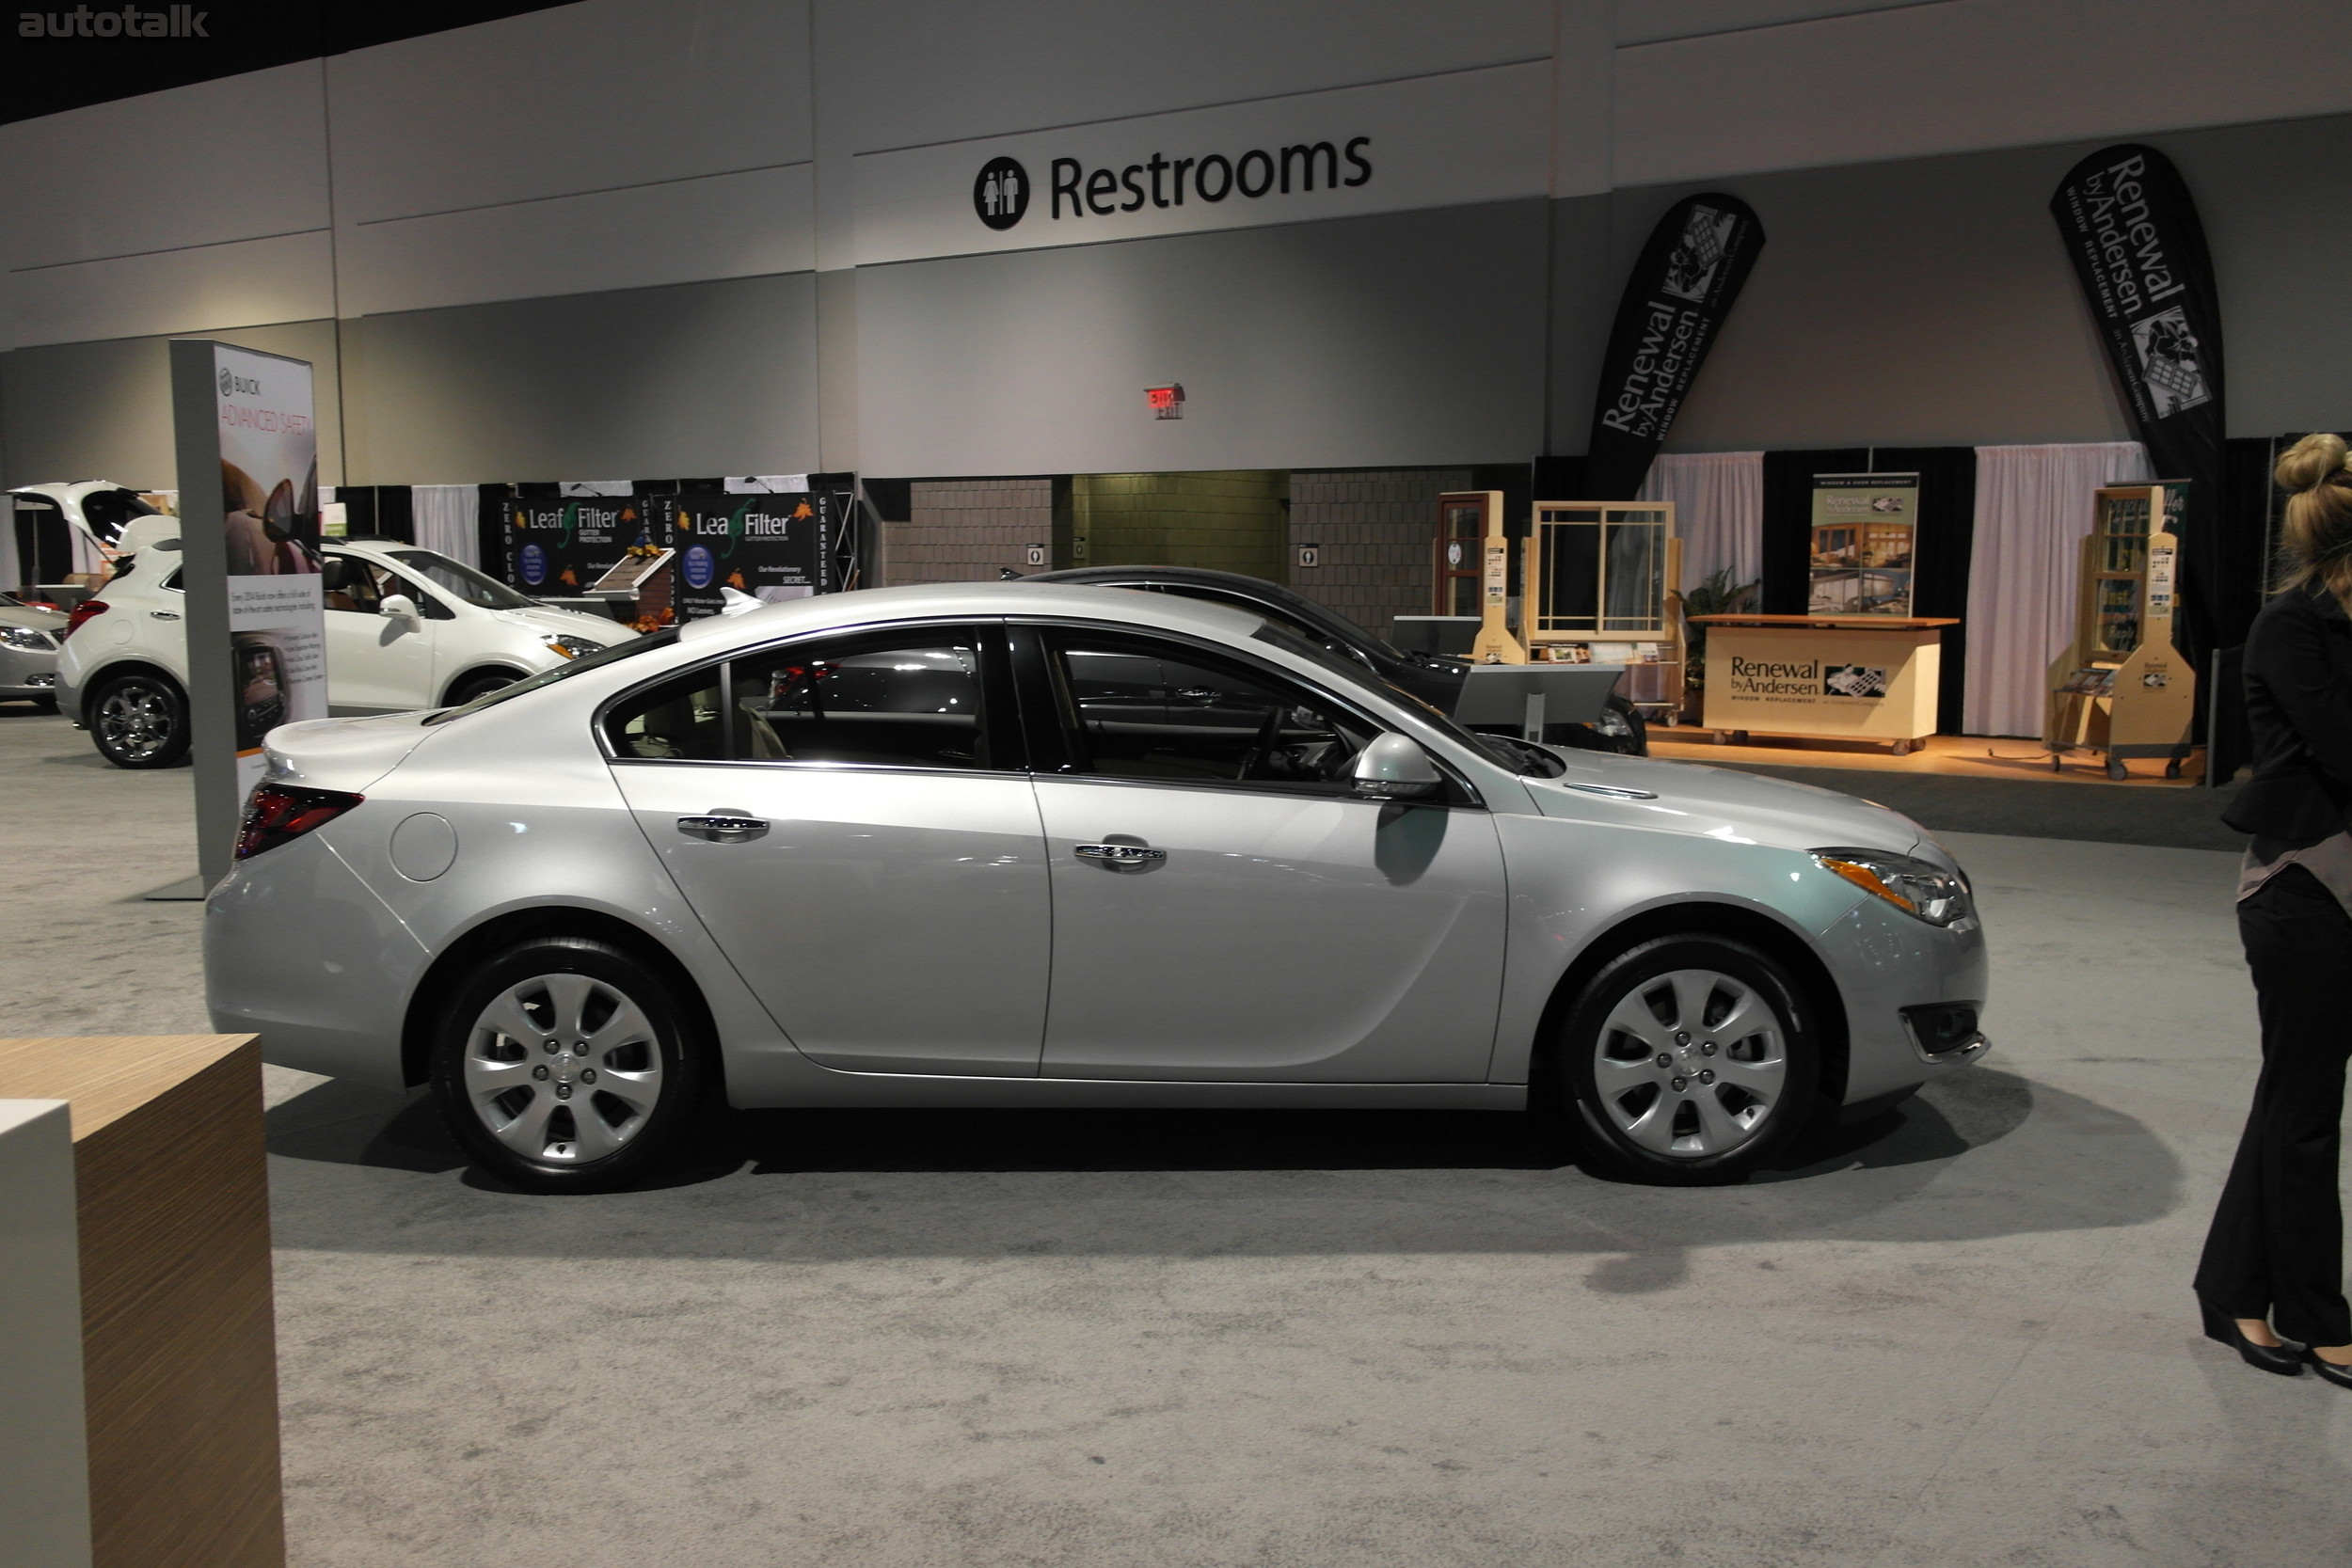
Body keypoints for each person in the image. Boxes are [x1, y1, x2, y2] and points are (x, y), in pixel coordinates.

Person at [2198, 432, 2352, 1387]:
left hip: (2335, 887)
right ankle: (2315, 1313)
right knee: (2305, 1109)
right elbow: (2343, 748)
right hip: (2302, 889)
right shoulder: (2291, 627)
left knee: (2293, 1097)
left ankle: (2230, 1288)